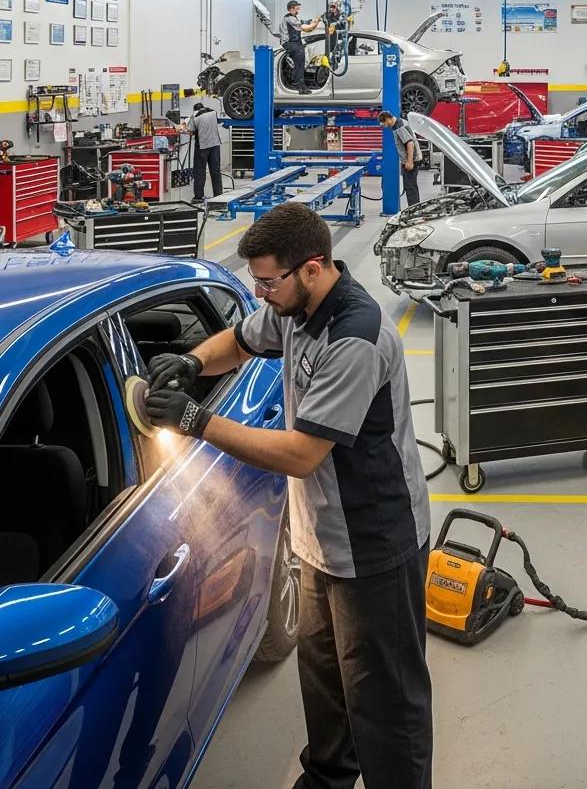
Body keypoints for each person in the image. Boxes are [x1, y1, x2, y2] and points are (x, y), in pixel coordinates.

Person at [144, 203, 432, 789]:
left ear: (313, 268)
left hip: (375, 540)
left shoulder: (355, 337)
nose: (260, 292)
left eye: (268, 281)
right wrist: (193, 360)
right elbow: (244, 340)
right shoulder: (296, 308)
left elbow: (302, 454)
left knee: (385, 699)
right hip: (320, 536)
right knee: (325, 679)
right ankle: (327, 778)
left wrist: (197, 418)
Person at [378, 110, 423, 205]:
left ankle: (414, 212)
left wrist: (409, 161)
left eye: (384, 124)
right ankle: (415, 209)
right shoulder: (399, 122)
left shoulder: (399, 127)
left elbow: (410, 143)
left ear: (387, 119)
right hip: (411, 159)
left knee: (410, 187)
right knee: (411, 186)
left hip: (412, 161)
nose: (385, 127)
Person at [181, 101, 223, 203]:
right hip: (215, 145)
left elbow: (191, 131)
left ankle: (198, 197)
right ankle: (219, 195)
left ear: (195, 110)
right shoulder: (213, 112)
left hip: (202, 147)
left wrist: (183, 130)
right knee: (216, 171)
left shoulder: (194, 117)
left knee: (200, 172)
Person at [280, 0, 322, 94]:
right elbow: (307, 29)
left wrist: (313, 21)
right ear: (291, 8)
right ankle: (301, 87)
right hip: (291, 44)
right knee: (299, 65)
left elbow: (305, 23)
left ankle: (299, 84)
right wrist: (316, 22)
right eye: (297, 8)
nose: (298, 9)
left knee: (301, 63)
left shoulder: (292, 18)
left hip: (294, 43)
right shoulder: (290, 18)